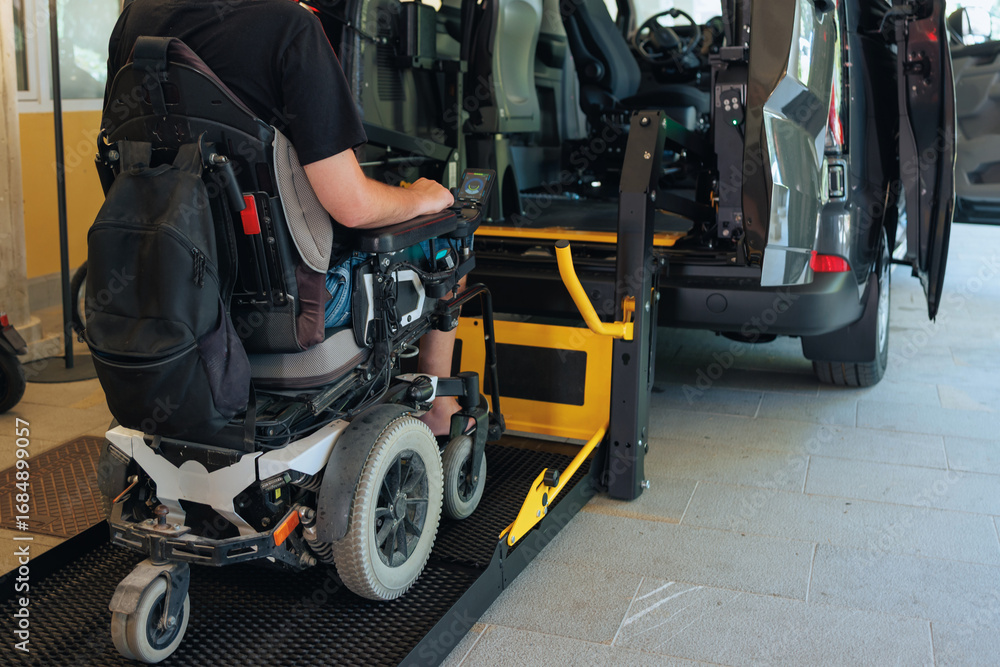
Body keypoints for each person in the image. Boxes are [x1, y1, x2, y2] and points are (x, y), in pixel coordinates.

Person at [105, 0, 464, 436]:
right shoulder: (291, 27)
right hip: (292, 309)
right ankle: (438, 411)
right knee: (451, 240)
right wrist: (424, 199)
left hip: (176, 292)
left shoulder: (134, 23)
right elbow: (353, 206)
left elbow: (125, 163)